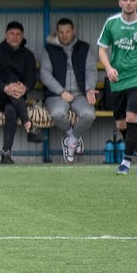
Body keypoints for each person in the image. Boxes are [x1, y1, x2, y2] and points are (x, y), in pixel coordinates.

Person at [97, 0, 137, 175]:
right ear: (120, 2)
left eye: (132, 0)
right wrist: (109, 68)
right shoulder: (111, 24)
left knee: (132, 117)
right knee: (121, 123)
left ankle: (126, 163)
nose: (128, 3)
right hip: (117, 79)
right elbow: (102, 49)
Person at [0, 21, 44, 165]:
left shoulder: (28, 55)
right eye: (11, 34)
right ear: (6, 35)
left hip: (17, 97)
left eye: (18, 34)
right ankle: (29, 126)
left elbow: (31, 78)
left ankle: (6, 154)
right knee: (13, 95)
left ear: (22, 36)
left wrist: (25, 88)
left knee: (11, 110)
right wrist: (6, 88)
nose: (15, 37)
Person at [40, 18, 97, 164]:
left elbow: (91, 70)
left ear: (73, 32)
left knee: (89, 115)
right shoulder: (49, 49)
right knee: (57, 113)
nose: (64, 35)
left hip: (80, 94)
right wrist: (60, 91)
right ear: (57, 33)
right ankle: (73, 136)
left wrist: (90, 89)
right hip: (58, 95)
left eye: (68, 32)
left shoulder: (84, 48)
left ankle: (71, 140)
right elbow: (45, 74)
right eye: (61, 32)